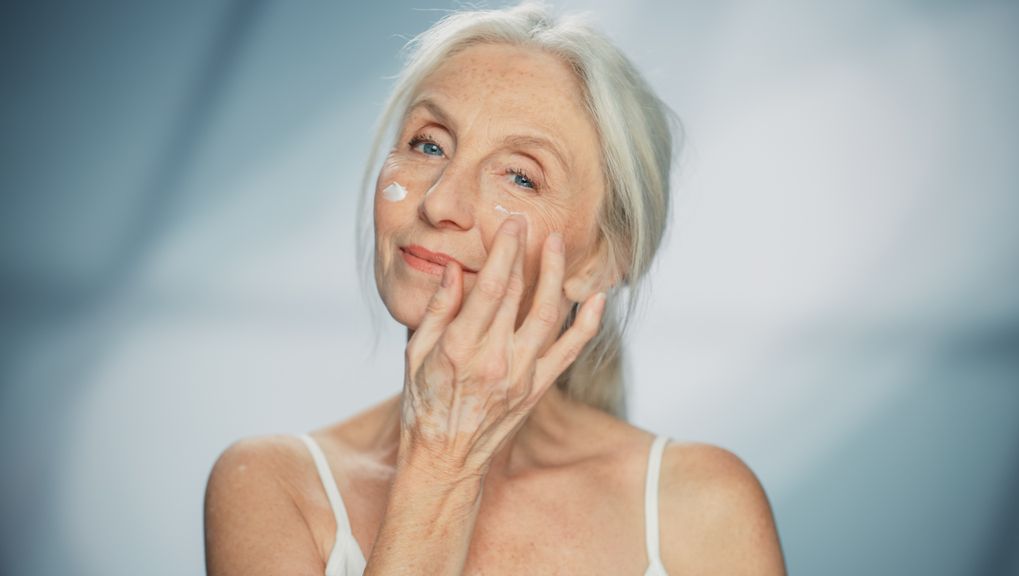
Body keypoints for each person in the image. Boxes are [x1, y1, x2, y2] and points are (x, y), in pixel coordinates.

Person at [204, 3, 786, 574]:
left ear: (602, 261)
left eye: (520, 175)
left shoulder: (703, 506)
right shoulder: (272, 486)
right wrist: (441, 460)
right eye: (428, 144)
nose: (440, 203)